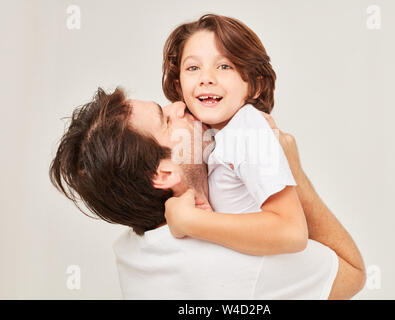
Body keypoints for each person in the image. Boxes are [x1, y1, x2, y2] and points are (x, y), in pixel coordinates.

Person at [49, 87, 366, 299]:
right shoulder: (240, 263)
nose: (179, 106)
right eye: (166, 118)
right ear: (164, 173)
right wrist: (292, 173)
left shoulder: (132, 251)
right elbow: (353, 272)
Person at [160, 14, 308, 256]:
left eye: (224, 66)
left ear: (255, 86)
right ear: (179, 87)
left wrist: (190, 221)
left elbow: (292, 232)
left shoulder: (247, 127)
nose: (206, 78)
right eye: (193, 67)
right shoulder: (211, 141)